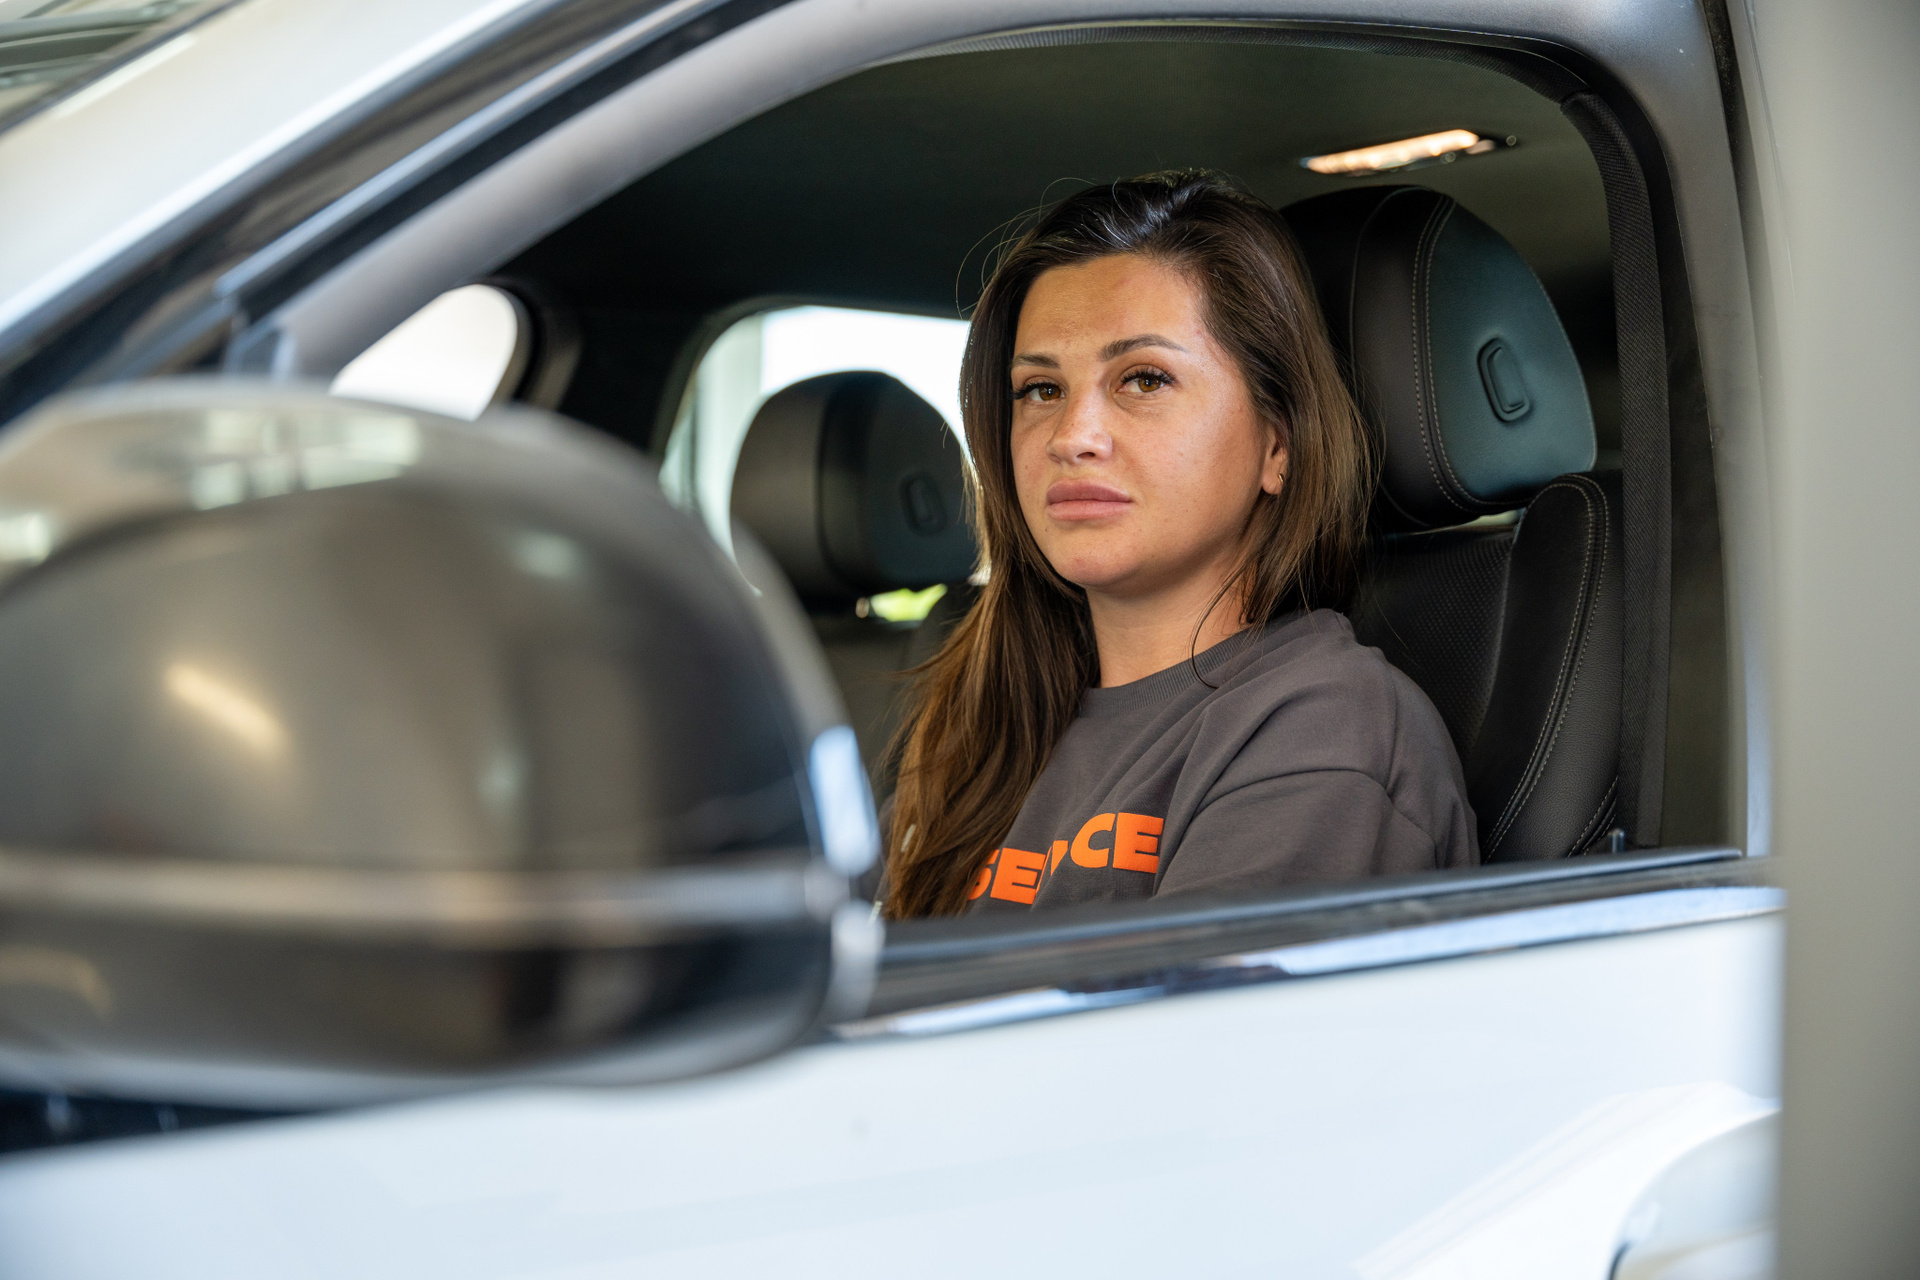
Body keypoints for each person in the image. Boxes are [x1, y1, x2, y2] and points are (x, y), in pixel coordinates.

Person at [881, 171, 1477, 919]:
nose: (1071, 437)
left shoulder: (1327, 724)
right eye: (1040, 389)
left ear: (1278, 444)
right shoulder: (980, 716)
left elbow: (1200, 998)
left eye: (1144, 379)